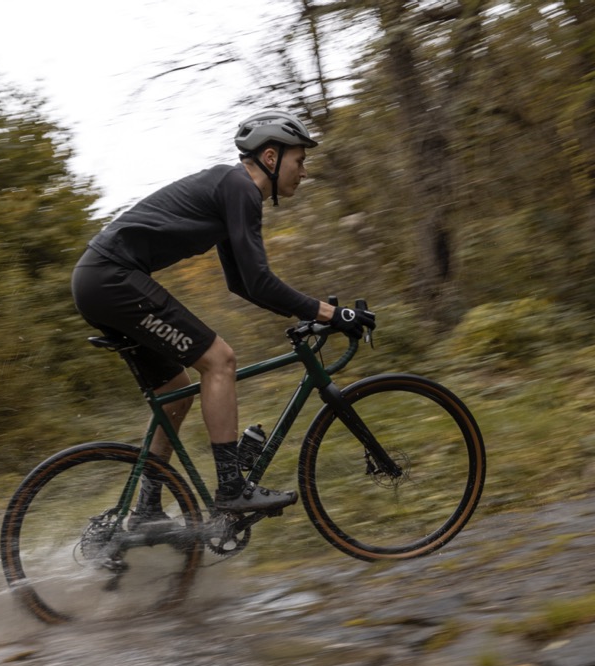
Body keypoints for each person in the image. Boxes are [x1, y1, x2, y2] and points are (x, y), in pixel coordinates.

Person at [70, 109, 376, 517]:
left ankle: (146, 509)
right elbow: (260, 280)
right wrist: (330, 315)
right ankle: (231, 488)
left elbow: (244, 283)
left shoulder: (231, 190)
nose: (303, 172)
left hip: (101, 281)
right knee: (220, 361)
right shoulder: (240, 189)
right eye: (300, 161)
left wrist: (310, 313)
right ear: (271, 157)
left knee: (174, 394)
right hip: (111, 279)